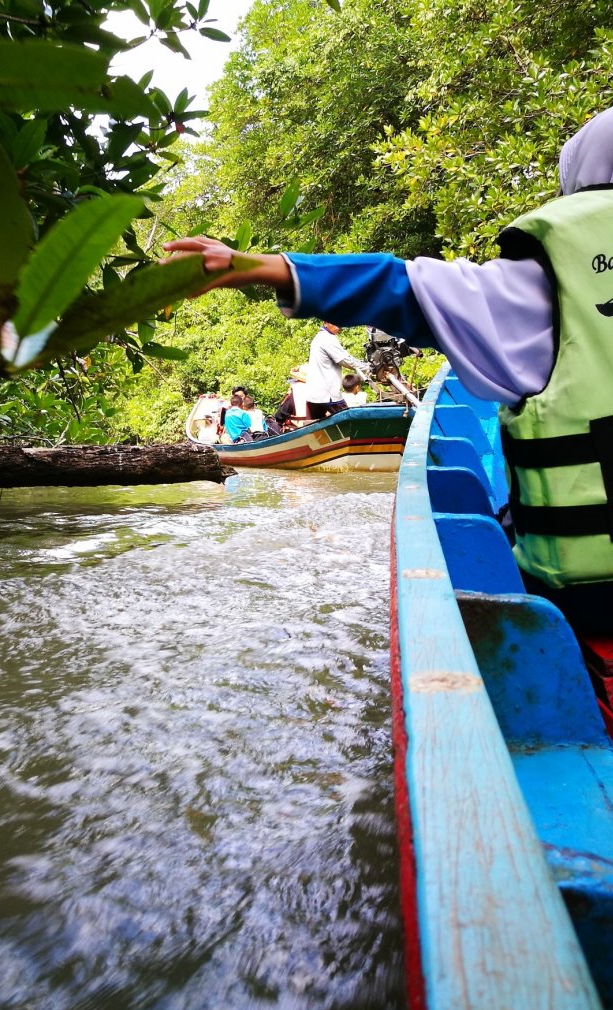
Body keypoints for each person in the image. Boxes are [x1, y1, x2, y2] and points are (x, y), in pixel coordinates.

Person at [162, 109, 613, 631]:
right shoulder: (318, 348)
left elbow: (398, 286)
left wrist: (258, 266)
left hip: (592, 605)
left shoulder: (545, 278)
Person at [305, 322, 366, 419]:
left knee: (316, 429)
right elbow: (346, 360)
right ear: (325, 322)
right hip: (327, 395)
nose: (338, 326)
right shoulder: (327, 338)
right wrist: (368, 367)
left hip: (313, 396)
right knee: (349, 420)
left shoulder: (318, 338)